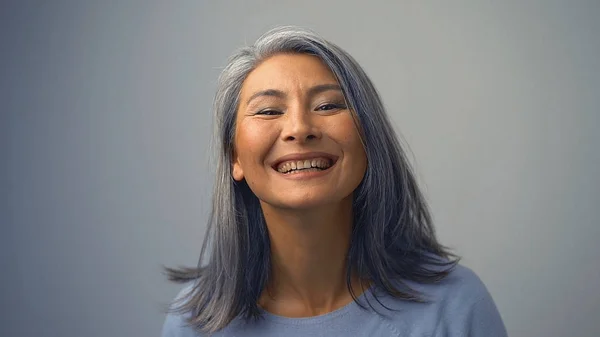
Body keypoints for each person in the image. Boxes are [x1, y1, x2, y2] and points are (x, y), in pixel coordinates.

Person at [161, 26, 507, 337]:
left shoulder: (456, 306)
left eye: (328, 106)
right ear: (234, 156)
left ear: (369, 141)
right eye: (268, 111)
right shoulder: (194, 322)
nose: (299, 128)